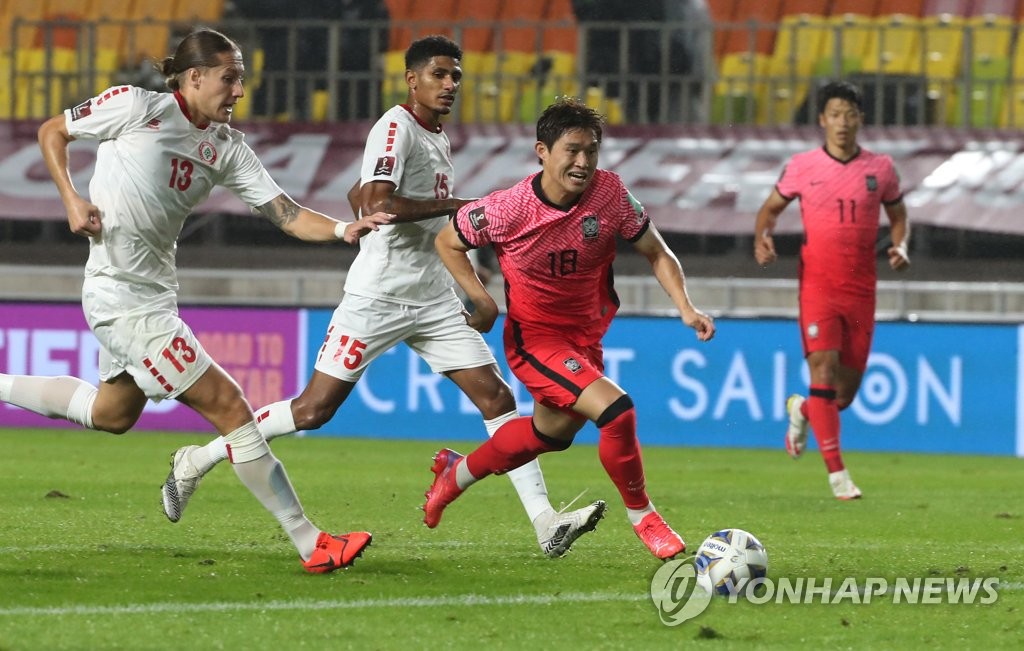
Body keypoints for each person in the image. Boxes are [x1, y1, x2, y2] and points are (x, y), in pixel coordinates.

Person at [164, 35, 607, 558]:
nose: (449, 85)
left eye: (456, 76)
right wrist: (462, 206)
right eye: (439, 74)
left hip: (432, 295)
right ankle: (197, 460)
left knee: (498, 398)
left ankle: (545, 522)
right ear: (412, 79)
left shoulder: (435, 136)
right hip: (377, 295)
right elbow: (378, 201)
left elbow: (362, 193)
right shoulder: (395, 125)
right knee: (312, 411)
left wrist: (449, 230)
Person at [0, 28, 393, 574]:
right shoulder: (136, 106)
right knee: (232, 407)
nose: (237, 90)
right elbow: (52, 131)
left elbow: (285, 212)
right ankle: (312, 543)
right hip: (120, 298)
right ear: (195, 76)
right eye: (229, 77)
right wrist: (72, 198)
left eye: (241, 79)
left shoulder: (229, 149)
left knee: (111, 413)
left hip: (155, 294)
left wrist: (343, 231)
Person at [426, 97, 716, 561]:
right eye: (572, 150)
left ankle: (455, 475)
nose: (583, 162)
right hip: (535, 340)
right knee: (617, 412)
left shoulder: (611, 194)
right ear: (542, 150)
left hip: (585, 338)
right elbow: (447, 240)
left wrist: (686, 306)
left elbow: (657, 252)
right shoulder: (508, 209)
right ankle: (644, 517)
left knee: (549, 436)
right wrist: (481, 298)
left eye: (592, 152)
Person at [753, 80, 911, 500]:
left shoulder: (881, 169)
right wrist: (763, 237)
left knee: (842, 396)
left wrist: (901, 244)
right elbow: (769, 210)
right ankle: (838, 475)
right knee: (821, 371)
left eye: (850, 114)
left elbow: (898, 216)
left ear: (860, 119)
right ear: (822, 119)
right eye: (835, 114)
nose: (842, 122)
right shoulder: (802, 166)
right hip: (818, 287)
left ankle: (802, 409)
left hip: (861, 291)